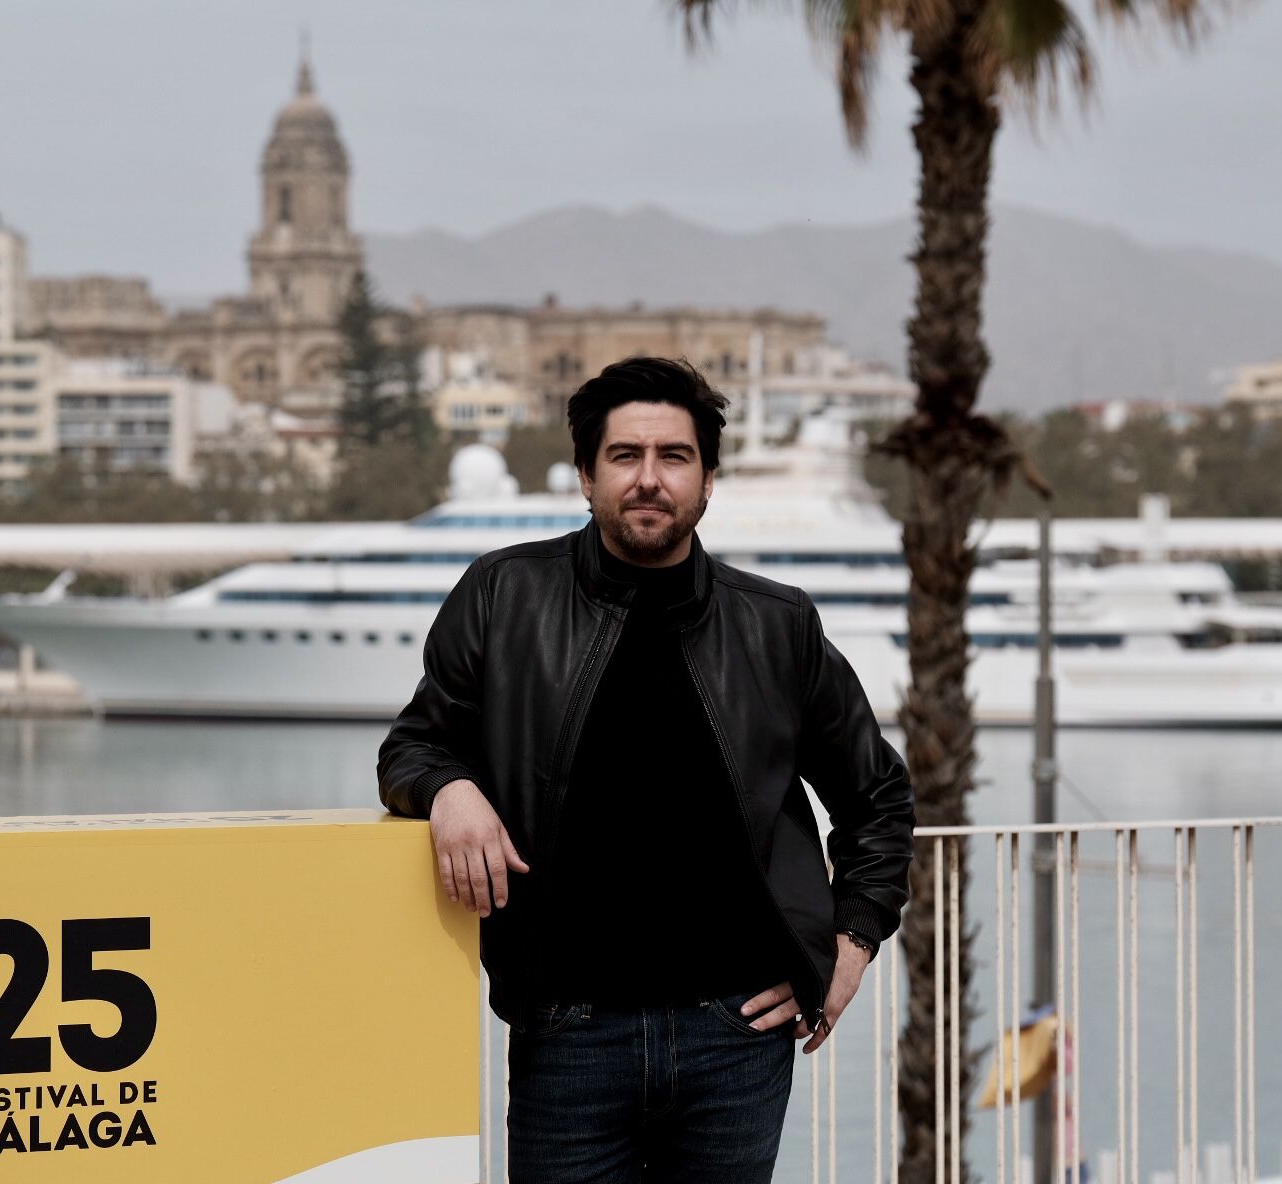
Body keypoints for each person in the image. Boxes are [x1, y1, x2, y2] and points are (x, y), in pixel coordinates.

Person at [378, 356, 914, 1183]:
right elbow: (413, 745)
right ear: (587, 476)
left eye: (675, 457)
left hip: (739, 1034)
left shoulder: (778, 627)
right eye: (625, 456)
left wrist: (846, 948)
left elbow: (877, 797)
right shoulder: (502, 595)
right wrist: (450, 791)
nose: (649, 480)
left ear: (707, 480)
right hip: (568, 1034)